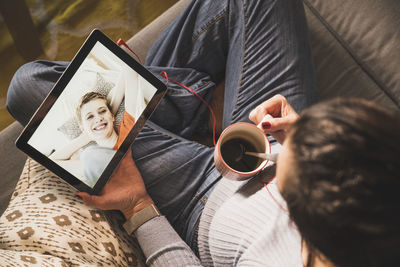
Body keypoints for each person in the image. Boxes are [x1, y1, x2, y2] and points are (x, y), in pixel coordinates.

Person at [11, 0, 395, 266]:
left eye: (290, 180)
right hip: (258, 136)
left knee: (29, 85)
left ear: (305, 223)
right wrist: (301, 134)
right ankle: (174, 99)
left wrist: (138, 208)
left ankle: (163, 95)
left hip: (202, 197)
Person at [49, 66, 147, 186]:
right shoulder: (90, 160)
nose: (98, 118)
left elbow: (130, 70)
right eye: (90, 117)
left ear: (112, 114)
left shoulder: (128, 125)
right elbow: (50, 163)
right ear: (82, 127)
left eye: (102, 111)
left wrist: (109, 115)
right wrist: (86, 136)